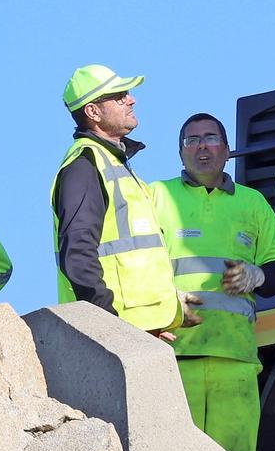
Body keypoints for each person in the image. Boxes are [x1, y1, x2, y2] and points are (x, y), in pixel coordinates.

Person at [149, 112, 275, 451]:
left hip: (236, 359)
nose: (201, 146)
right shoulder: (156, 196)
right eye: (191, 140)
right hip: (175, 353)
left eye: (211, 138)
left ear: (227, 150)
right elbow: (137, 265)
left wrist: (257, 275)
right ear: (180, 153)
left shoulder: (253, 203)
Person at [51, 65, 197, 336]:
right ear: (93, 112)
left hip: (137, 332)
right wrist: (112, 331)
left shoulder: (112, 164)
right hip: (117, 332)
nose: (131, 99)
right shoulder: (85, 165)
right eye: (119, 96)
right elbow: (78, 255)